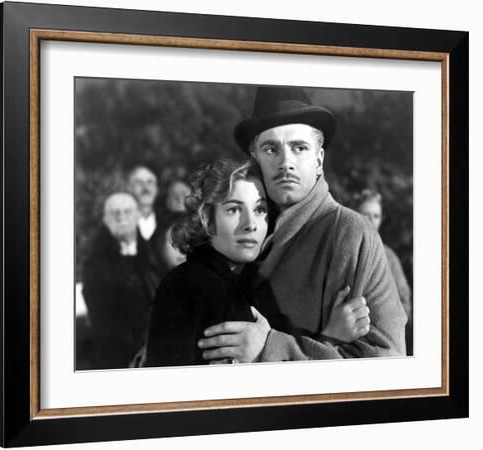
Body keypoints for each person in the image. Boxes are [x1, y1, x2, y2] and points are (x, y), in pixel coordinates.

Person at [197, 86, 407, 362]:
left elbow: (387, 362)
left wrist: (268, 348)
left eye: (299, 148)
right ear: (254, 160)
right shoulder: (236, 230)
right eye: (271, 149)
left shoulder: (349, 233)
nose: (286, 163)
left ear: (319, 160)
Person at [145, 159, 369, 367]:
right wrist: (331, 339)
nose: (250, 224)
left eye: (259, 209)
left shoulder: (253, 282)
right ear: (207, 219)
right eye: (234, 210)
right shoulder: (193, 284)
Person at [82, 192, 160, 369]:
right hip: (115, 355)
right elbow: (101, 320)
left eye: (127, 211)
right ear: (105, 219)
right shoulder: (94, 265)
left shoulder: (153, 256)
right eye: (114, 212)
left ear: (138, 215)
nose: (121, 217)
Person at [355, 189, 413, 355]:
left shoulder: (390, 257)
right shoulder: (343, 251)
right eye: (366, 214)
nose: (371, 221)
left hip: (384, 342)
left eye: (376, 216)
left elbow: (405, 303)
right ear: (356, 215)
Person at [127, 165, 159, 241]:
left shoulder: (168, 223)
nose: (145, 187)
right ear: (129, 188)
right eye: (139, 183)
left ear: (156, 189)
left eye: (150, 182)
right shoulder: (117, 224)